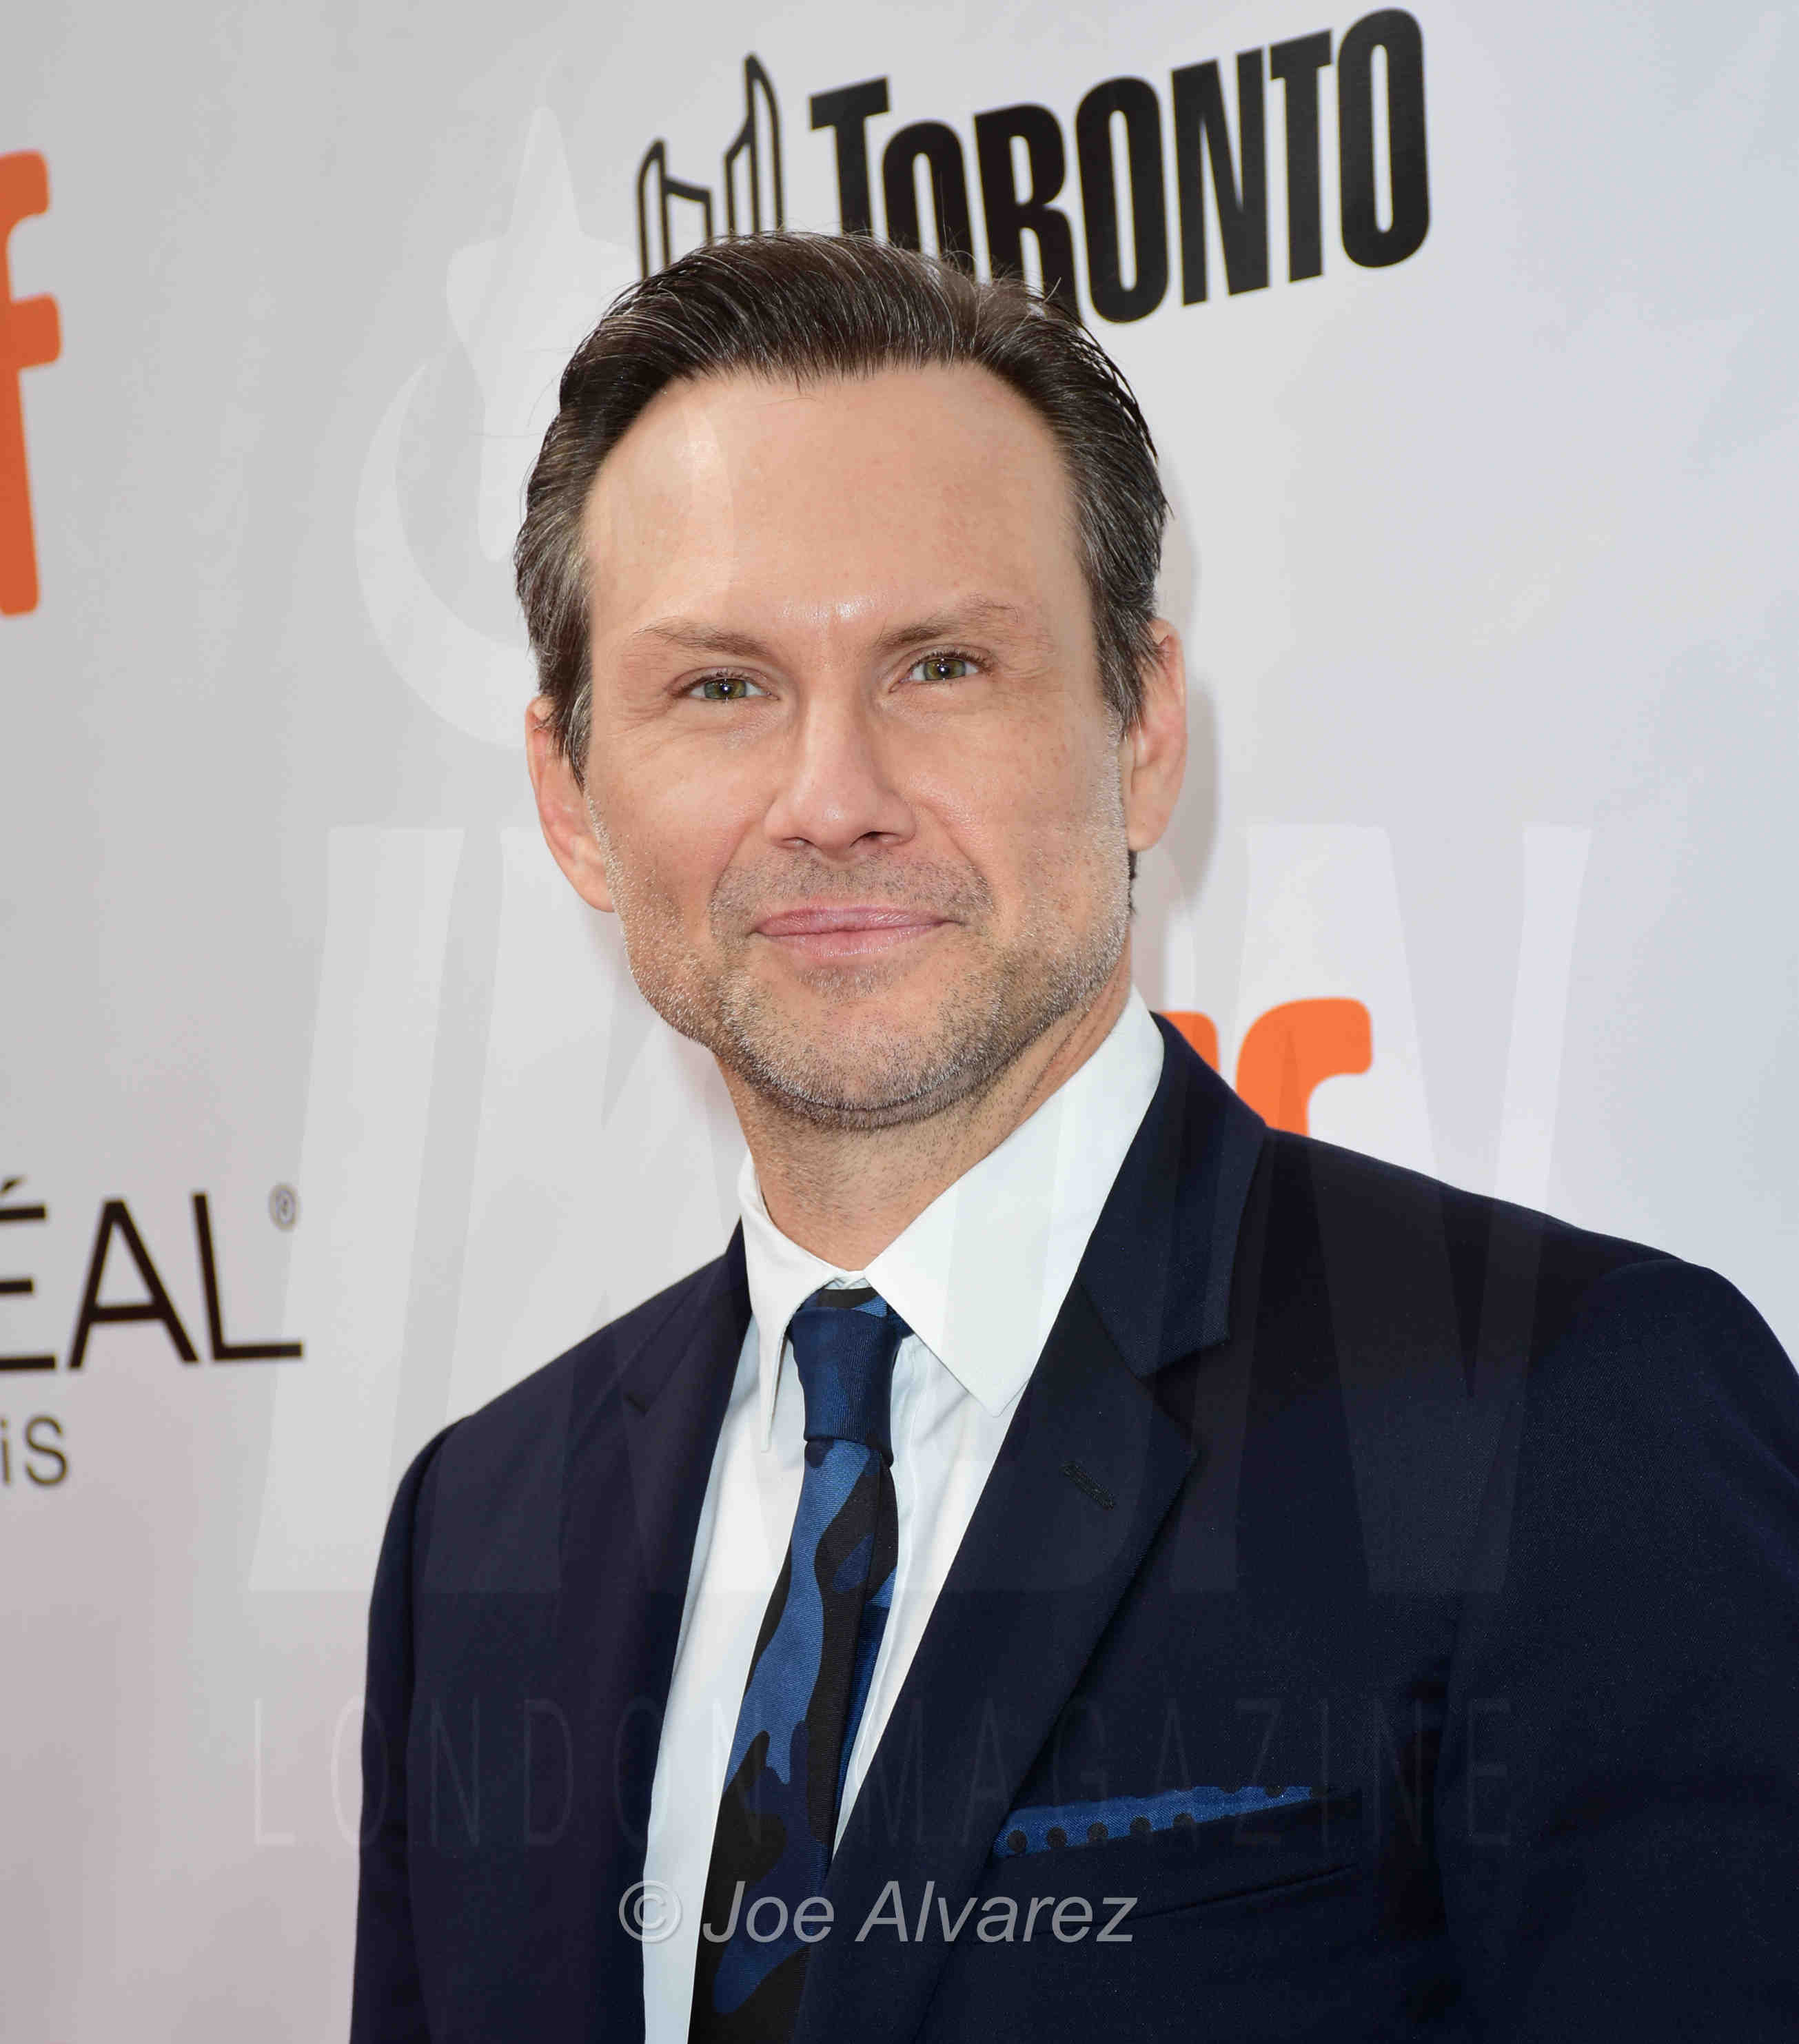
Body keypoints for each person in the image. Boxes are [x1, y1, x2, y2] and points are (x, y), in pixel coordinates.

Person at [349, 233, 1799, 2043]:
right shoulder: (479, 1531)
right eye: (718, 687)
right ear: (571, 796)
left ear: (1142, 731)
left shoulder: (1575, 1413)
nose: (832, 801)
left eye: (941, 666)